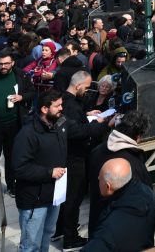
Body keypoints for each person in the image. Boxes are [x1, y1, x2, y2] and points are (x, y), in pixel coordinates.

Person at [56, 70, 108, 249]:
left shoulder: (68, 101)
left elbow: (73, 122)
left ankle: (61, 229)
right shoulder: (70, 105)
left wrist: (86, 115)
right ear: (78, 86)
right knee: (73, 197)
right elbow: (75, 131)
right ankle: (70, 238)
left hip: (72, 155)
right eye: (85, 87)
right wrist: (97, 124)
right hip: (74, 157)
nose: (87, 91)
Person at [13, 90, 69, 252]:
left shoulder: (58, 126)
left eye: (61, 105)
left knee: (47, 234)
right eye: (57, 105)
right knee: (31, 245)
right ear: (44, 109)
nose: (61, 108)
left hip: (53, 196)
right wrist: (49, 172)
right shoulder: (27, 134)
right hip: (34, 201)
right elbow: (19, 168)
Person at [87, 111, 154, 230]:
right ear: (138, 136)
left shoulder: (97, 150)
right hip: (120, 228)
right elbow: (145, 196)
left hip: (97, 222)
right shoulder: (133, 162)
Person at [84, 158, 155, 252]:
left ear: (108, 186)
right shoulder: (148, 193)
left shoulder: (107, 232)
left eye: (99, 179)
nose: (98, 180)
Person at [0, 50, 35, 195]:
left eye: (6, 63)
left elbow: (32, 92)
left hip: (14, 123)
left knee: (11, 156)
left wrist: (21, 97)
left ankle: (12, 185)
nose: (3, 66)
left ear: (12, 63)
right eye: (1, 64)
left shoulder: (21, 75)